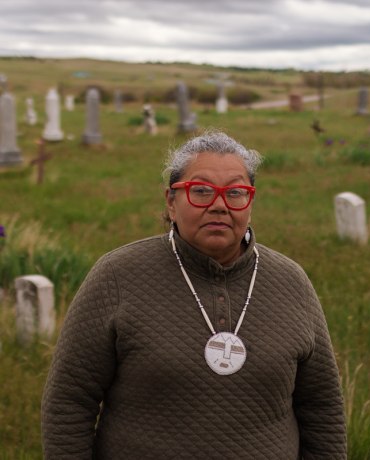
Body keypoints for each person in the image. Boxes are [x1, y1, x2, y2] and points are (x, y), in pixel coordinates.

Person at [41, 130, 347, 459]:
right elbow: (69, 401)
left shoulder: (291, 283)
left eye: (235, 192)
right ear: (171, 202)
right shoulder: (117, 276)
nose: (219, 205)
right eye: (200, 191)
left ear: (251, 202)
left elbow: (322, 409)